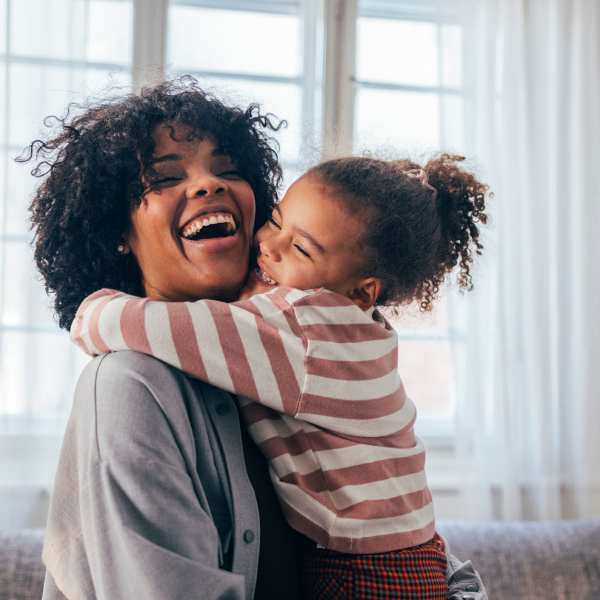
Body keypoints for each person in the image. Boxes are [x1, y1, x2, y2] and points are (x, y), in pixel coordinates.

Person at [70, 152, 490, 599]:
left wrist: (91, 310)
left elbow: (144, 325)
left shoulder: (305, 328)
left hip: (363, 575)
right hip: (410, 559)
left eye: (301, 249)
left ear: (360, 291)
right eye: (274, 221)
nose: (268, 245)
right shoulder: (350, 331)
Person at [27, 78, 309, 600]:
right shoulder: (129, 385)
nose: (210, 185)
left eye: (227, 169)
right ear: (116, 230)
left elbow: (409, 541)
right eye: (163, 178)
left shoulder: (292, 358)